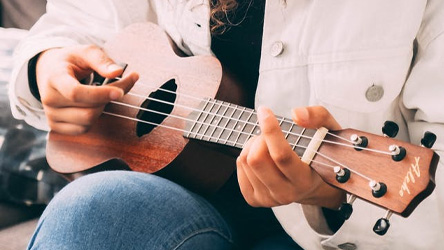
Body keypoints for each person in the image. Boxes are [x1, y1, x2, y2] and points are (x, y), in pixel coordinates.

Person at [8, 0, 444, 249]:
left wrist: (326, 194)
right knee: (96, 208)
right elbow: (76, 23)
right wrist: (45, 67)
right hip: (176, 197)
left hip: (337, 238)